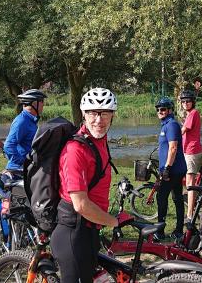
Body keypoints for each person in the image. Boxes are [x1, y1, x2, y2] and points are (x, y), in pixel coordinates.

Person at [55, 88, 127, 282]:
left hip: (90, 230)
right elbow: (81, 205)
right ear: (84, 114)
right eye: (93, 113)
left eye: (105, 113)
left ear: (112, 115)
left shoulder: (99, 141)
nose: (99, 120)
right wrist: (114, 221)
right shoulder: (75, 150)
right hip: (73, 233)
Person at [155, 97, 186, 239]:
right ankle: (179, 230)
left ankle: (160, 232)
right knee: (177, 198)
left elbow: (173, 148)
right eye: (158, 109)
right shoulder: (166, 125)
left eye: (162, 109)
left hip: (172, 170)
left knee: (162, 197)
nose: (160, 111)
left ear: (169, 110)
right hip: (173, 169)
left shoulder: (172, 125)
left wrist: (167, 168)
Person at [2, 89, 46, 174]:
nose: (43, 104)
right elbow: (8, 146)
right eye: (41, 101)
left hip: (28, 168)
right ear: (33, 104)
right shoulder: (21, 121)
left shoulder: (30, 120)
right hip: (19, 170)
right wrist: (22, 162)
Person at [178, 89, 202, 226]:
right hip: (188, 151)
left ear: (192, 102)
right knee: (188, 182)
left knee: (190, 184)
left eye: (188, 101)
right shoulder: (189, 114)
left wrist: (172, 137)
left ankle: (189, 215)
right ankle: (190, 210)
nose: (185, 103)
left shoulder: (193, 113)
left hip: (192, 151)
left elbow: (183, 131)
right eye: (183, 101)